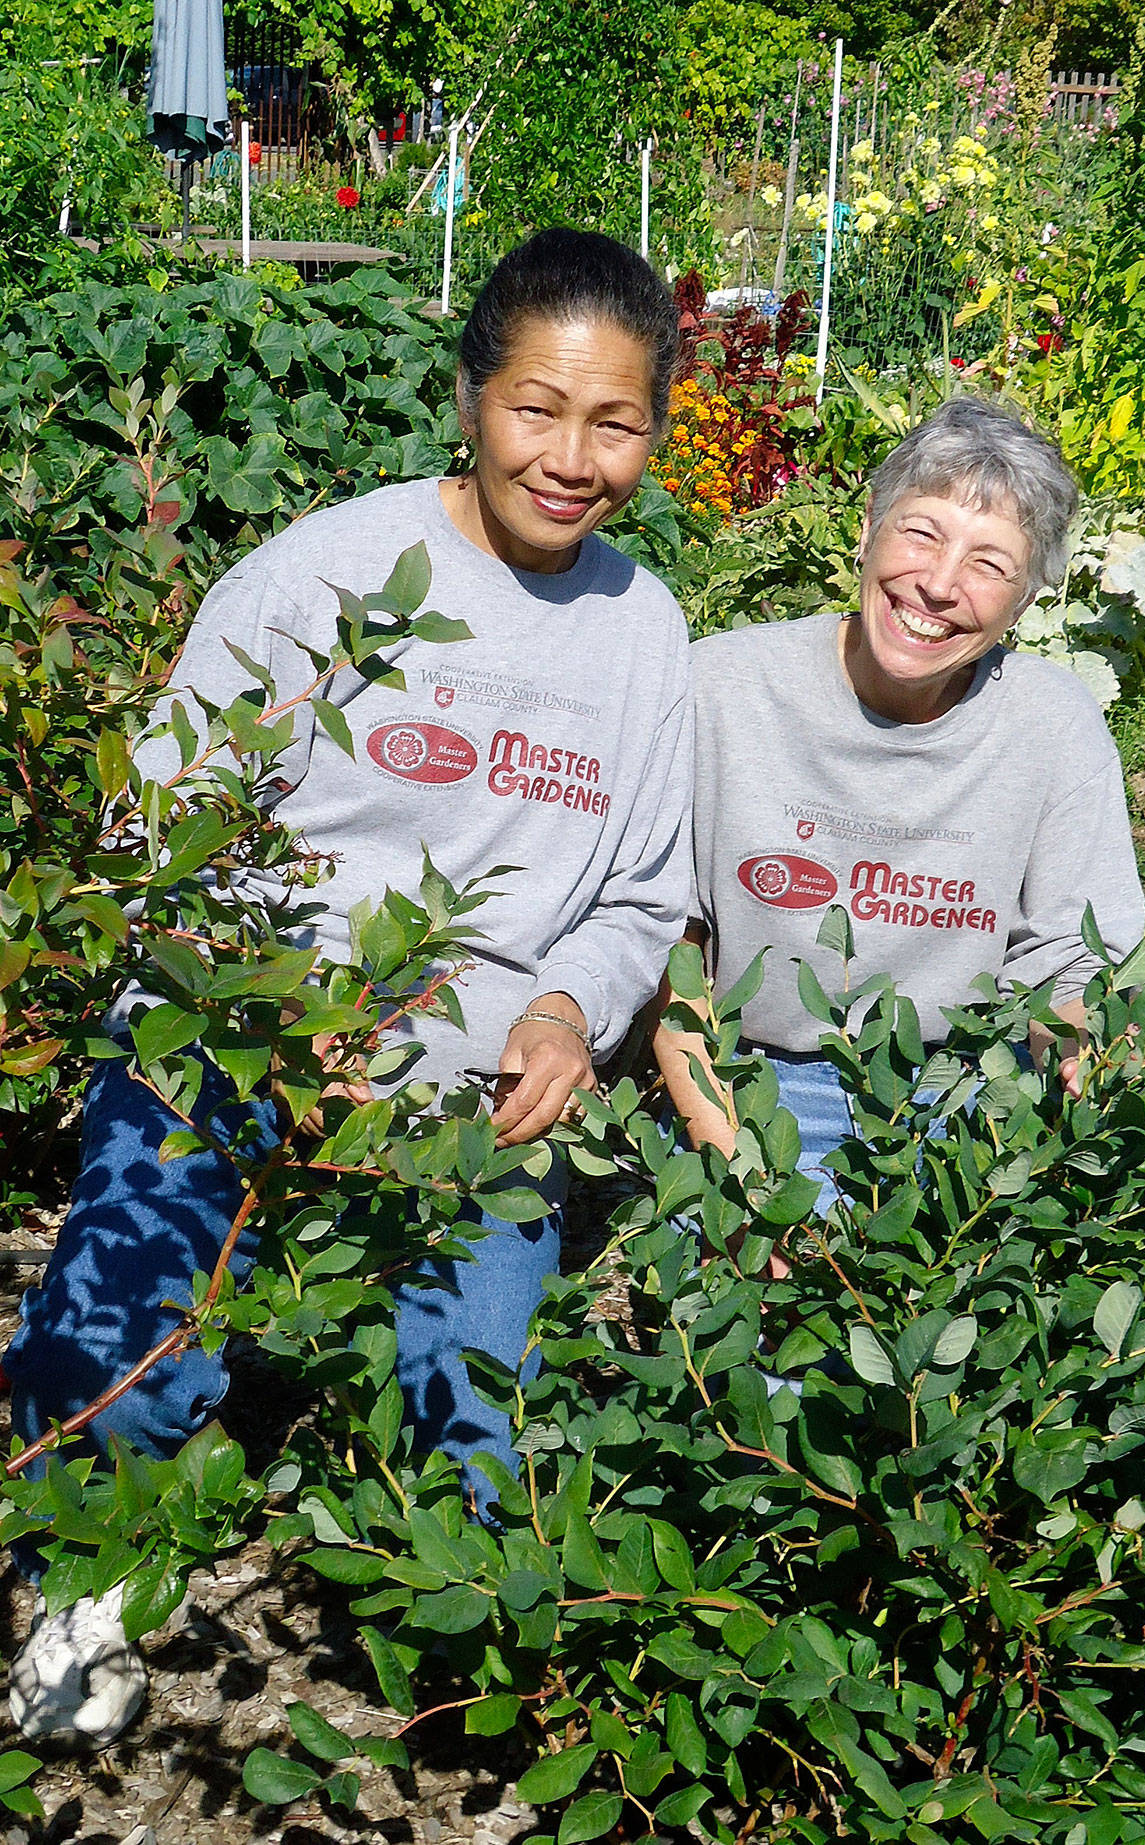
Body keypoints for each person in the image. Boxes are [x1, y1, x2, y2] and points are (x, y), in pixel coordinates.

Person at [6, 227, 693, 1747]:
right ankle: (84, 1571)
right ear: (468, 397)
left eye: (616, 420)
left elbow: (644, 891)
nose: (571, 456)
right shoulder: (319, 575)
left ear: (657, 426)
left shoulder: (645, 637)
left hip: (472, 1089)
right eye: (536, 406)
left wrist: (568, 1007)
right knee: (125, 1327)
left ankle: (432, 1621)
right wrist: (277, 1019)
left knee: (465, 1410)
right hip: (239, 1034)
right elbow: (155, 838)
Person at [655, 395, 1145, 1202]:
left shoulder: (1051, 723)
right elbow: (672, 952)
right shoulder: (724, 689)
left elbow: (1073, 959)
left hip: (973, 1082)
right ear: (868, 528)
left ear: (1023, 602)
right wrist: (732, 1155)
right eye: (922, 532)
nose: (941, 585)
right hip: (771, 1086)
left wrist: (1075, 1062)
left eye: (991, 564)